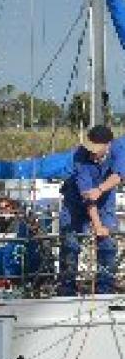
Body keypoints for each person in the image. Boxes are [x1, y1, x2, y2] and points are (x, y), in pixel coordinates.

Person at [58, 125, 124, 295]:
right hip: (75, 202)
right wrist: (97, 225)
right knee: (70, 244)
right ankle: (67, 288)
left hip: (105, 200)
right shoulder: (79, 156)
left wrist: (100, 190)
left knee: (107, 243)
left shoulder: (118, 149)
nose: (92, 153)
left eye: (96, 149)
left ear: (108, 145)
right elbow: (88, 197)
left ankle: (105, 287)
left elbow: (119, 175)